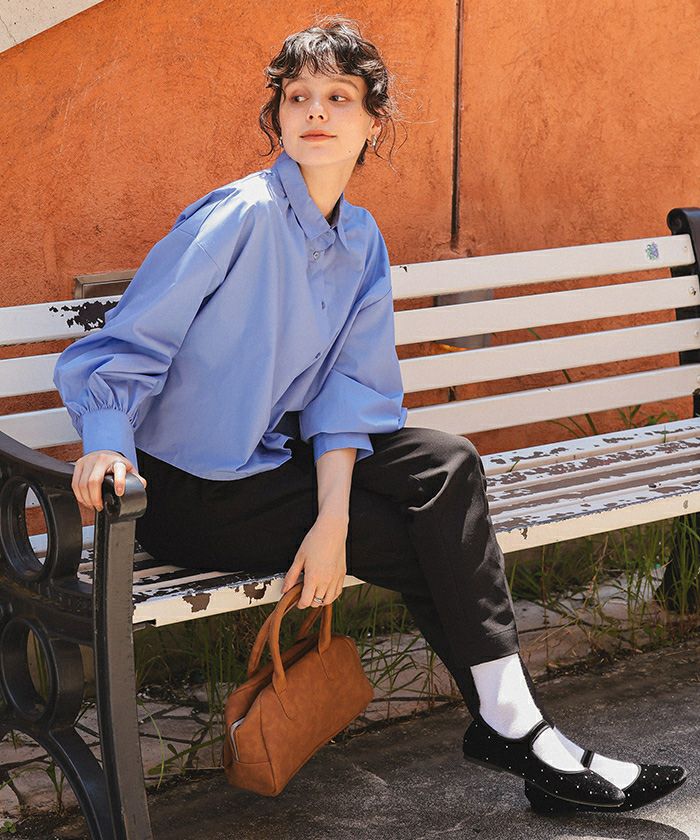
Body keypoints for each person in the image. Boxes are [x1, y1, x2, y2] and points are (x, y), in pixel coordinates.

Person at [53, 15, 687, 813]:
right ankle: (528, 738)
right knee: (431, 542)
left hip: (272, 462)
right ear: (278, 117)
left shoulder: (359, 237)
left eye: (339, 97)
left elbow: (347, 393)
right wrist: (105, 441)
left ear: (372, 123)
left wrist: (331, 523)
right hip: (191, 492)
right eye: (298, 97)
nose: (316, 111)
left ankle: (518, 729)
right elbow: (127, 343)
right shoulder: (239, 216)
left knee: (446, 461)